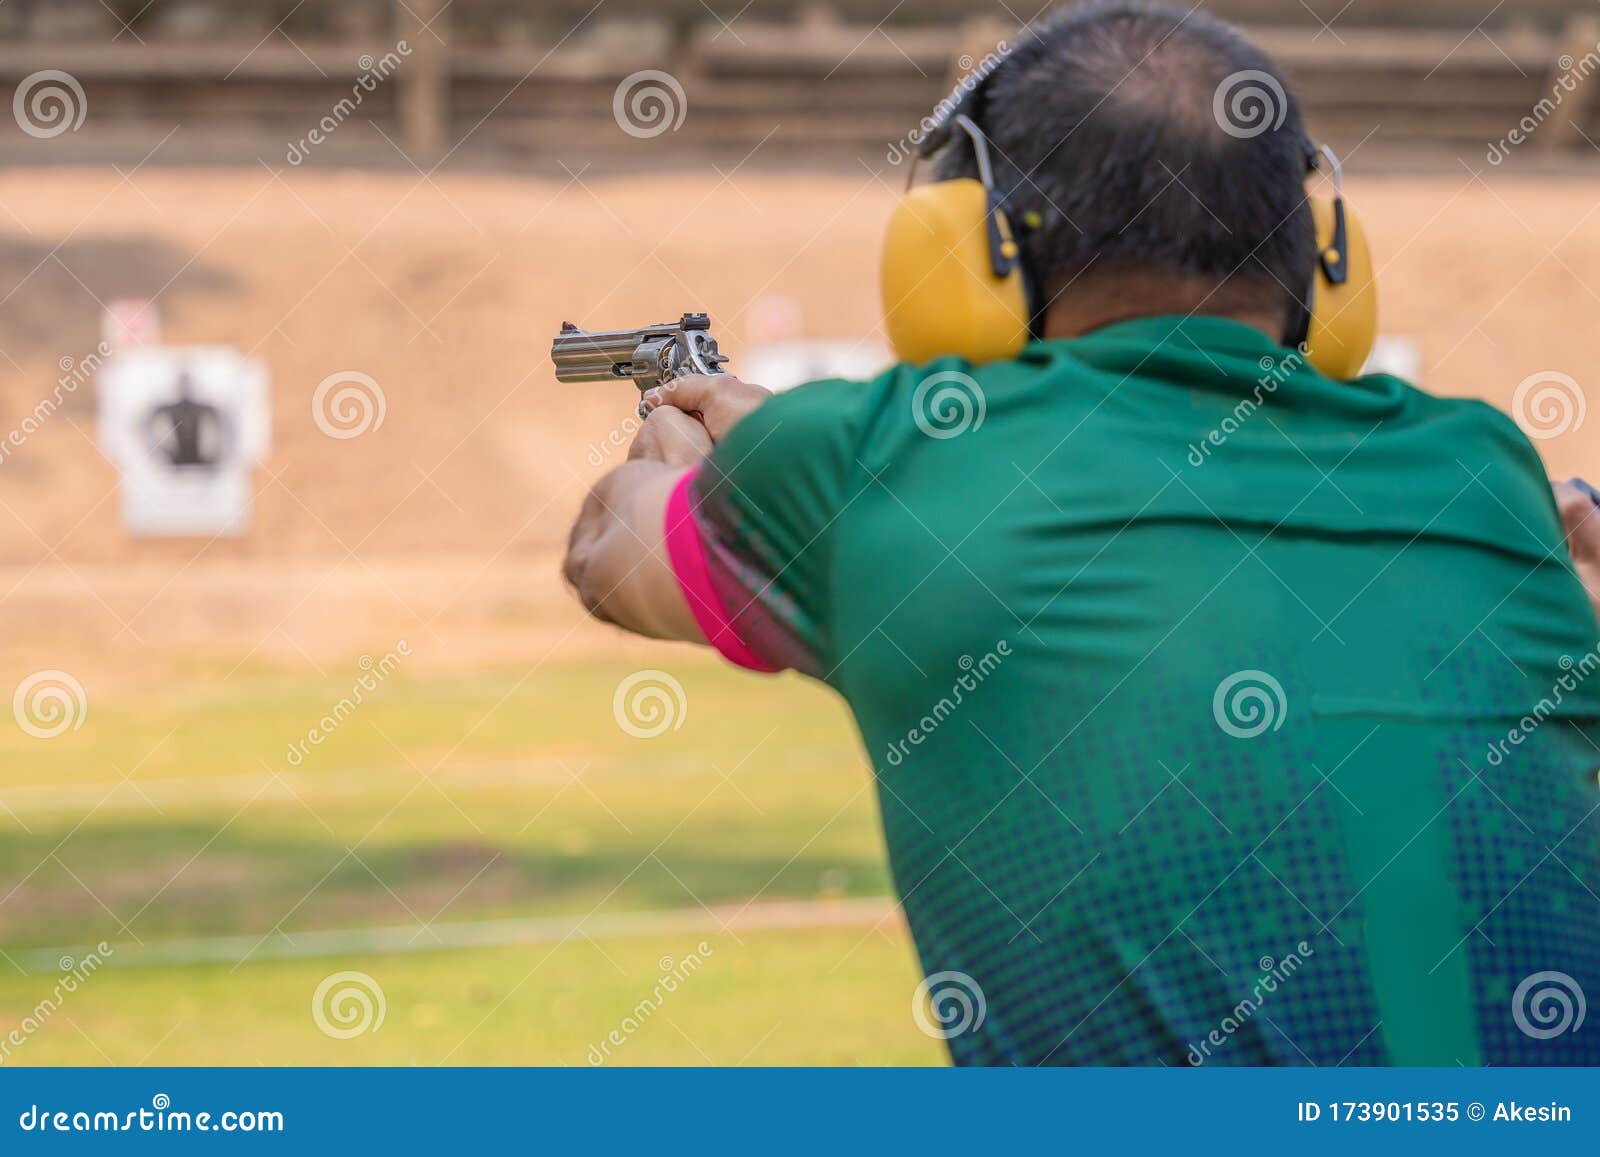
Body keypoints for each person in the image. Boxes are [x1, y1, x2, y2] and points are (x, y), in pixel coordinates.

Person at [564, 1, 1600, 1065]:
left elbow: (613, 549)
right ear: (1324, 252)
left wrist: (699, 430)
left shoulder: (872, 471)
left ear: (970, 252)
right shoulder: (1482, 473)